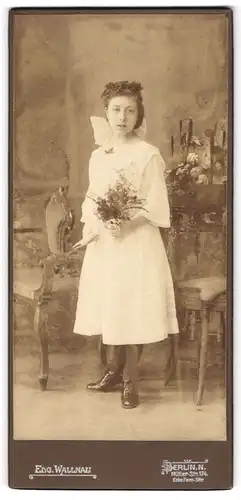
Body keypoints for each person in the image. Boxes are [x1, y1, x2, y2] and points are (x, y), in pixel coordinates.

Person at [73, 80, 179, 409]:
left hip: (137, 243)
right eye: (116, 110)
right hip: (107, 243)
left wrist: (127, 223)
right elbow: (92, 198)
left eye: (130, 110)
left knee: (133, 309)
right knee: (111, 307)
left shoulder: (148, 155)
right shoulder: (98, 156)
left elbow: (157, 205)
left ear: (138, 116)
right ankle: (113, 372)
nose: (122, 116)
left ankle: (131, 381)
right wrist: (93, 227)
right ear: (106, 113)